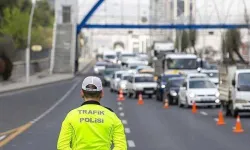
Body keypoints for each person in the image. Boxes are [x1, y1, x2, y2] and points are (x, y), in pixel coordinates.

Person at [57, 76, 127, 150]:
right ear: (102, 94)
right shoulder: (112, 117)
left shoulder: (71, 116)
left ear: (82, 93)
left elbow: (62, 146)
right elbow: (121, 147)